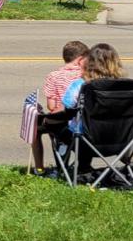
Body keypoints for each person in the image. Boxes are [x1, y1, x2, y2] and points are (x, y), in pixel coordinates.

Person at [29, 41, 89, 171]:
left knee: (35, 129)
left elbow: (51, 106)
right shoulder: (87, 76)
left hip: (63, 119)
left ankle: (39, 167)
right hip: (86, 121)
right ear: (80, 59)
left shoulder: (53, 76)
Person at [61, 43, 125, 111]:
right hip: (116, 121)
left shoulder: (80, 85)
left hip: (87, 121)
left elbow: (63, 110)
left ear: (88, 62)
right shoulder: (124, 86)